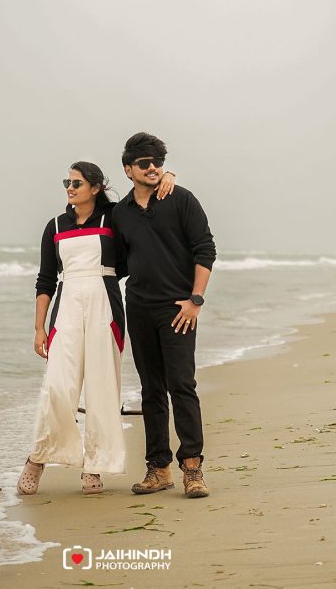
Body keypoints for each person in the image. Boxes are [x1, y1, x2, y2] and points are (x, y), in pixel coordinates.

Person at [17, 160, 175, 495]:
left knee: (103, 389)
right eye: (67, 183)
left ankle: (95, 465)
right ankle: (38, 457)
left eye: (76, 183)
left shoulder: (114, 218)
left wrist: (167, 175)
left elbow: (144, 201)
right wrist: (39, 328)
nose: (70, 188)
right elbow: (45, 280)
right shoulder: (55, 225)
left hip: (105, 304)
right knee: (57, 388)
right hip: (66, 307)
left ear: (96, 187)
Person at [111, 132, 216, 499]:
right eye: (144, 163)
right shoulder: (120, 212)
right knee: (151, 390)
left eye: (158, 162)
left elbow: (205, 250)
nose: (153, 167)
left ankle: (193, 468)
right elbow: (117, 263)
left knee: (182, 385)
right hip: (139, 307)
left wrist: (195, 300)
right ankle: (159, 469)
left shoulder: (181, 199)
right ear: (128, 170)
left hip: (178, 309)